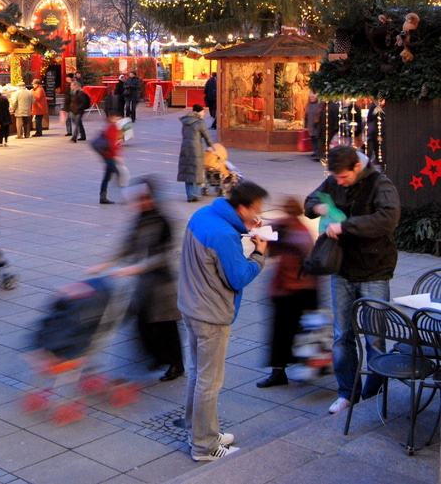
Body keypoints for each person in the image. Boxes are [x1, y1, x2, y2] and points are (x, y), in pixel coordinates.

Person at [304, 145, 400, 415]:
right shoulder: (335, 179)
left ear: (357, 167)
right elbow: (310, 201)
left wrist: (346, 227)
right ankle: (347, 392)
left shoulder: (380, 184)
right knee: (341, 334)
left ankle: (374, 389)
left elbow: (388, 219)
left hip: (374, 269)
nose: (339, 182)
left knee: (375, 337)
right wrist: (318, 206)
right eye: (336, 178)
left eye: (344, 177)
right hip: (342, 269)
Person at [178, 181, 269, 461]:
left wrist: (245, 231)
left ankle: (199, 430)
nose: (258, 216)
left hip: (191, 305)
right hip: (211, 314)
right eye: (256, 211)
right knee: (210, 381)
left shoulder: (203, 216)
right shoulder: (223, 235)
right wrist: (259, 253)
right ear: (241, 208)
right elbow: (238, 276)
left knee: (197, 373)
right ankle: (204, 446)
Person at [91, 178, 183, 381]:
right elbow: (128, 244)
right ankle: (158, 357)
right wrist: (106, 263)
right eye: (138, 200)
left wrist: (136, 268)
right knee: (143, 324)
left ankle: (176, 364)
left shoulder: (164, 221)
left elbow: (166, 254)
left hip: (162, 283)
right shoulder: (140, 218)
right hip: (144, 282)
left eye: (143, 199)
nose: (139, 203)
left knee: (167, 326)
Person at [256, 197, 317, 388]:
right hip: (288, 290)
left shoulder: (300, 233)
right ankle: (285, 371)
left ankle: (286, 371)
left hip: (297, 291)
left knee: (287, 333)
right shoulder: (285, 226)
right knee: (287, 333)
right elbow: (269, 247)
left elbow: (296, 254)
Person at [178, 105, 214, 202]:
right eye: (203, 112)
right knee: (196, 171)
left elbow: (184, 134)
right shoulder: (199, 122)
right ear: (198, 112)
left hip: (185, 147)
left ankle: (189, 195)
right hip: (195, 148)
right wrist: (211, 147)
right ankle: (195, 194)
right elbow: (206, 136)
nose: (204, 113)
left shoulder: (185, 121)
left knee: (187, 171)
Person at [98, 111, 123, 205]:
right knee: (120, 175)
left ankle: (103, 196)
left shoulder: (112, 128)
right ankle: (125, 196)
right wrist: (116, 155)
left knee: (107, 177)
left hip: (108, 156)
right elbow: (112, 144)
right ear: (112, 118)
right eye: (116, 117)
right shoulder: (111, 128)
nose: (118, 119)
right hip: (110, 157)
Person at [365, 98, 385, 168]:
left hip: (377, 131)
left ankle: (379, 161)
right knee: (377, 148)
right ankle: (379, 162)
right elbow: (371, 117)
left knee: (377, 148)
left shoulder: (376, 107)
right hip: (376, 131)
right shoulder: (374, 107)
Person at [304, 94, 322, 162]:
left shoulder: (319, 105)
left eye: (313, 97)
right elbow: (306, 116)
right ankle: (315, 152)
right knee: (313, 139)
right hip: (310, 125)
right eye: (311, 97)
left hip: (316, 125)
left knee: (317, 139)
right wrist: (305, 126)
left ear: (316, 98)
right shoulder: (308, 105)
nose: (312, 98)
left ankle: (318, 153)